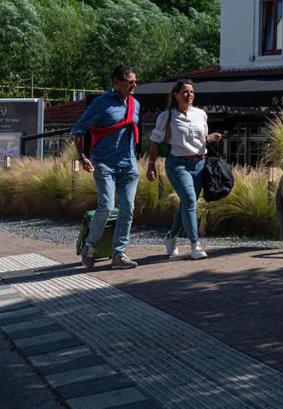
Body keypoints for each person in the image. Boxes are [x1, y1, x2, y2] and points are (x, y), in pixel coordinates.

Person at [72, 65, 142, 270]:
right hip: (104, 164)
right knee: (107, 206)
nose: (134, 85)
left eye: (135, 81)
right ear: (117, 83)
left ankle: (119, 254)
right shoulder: (100, 103)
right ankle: (90, 247)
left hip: (128, 164)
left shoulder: (135, 104)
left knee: (128, 208)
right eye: (130, 82)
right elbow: (78, 129)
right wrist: (82, 157)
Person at [146, 79, 222, 260]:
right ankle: (195, 245)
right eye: (185, 92)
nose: (189, 95)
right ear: (176, 95)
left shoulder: (201, 114)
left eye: (192, 92)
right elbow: (155, 142)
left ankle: (171, 237)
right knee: (189, 200)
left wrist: (211, 138)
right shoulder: (166, 116)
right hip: (178, 164)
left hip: (200, 164)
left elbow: (202, 138)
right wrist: (151, 165)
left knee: (186, 204)